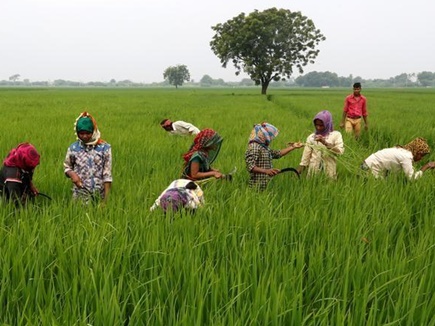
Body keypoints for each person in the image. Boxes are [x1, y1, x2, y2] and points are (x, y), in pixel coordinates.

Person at [63, 112, 112, 203]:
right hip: (79, 195)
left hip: (99, 195)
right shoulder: (73, 148)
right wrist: (73, 175)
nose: (84, 136)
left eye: (88, 133)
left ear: (93, 131)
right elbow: (67, 167)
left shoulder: (104, 148)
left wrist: (105, 201)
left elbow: (107, 174)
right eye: (81, 133)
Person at [245, 122, 303, 191]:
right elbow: (250, 166)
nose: (270, 139)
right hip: (256, 186)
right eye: (270, 137)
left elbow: (278, 154)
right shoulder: (254, 147)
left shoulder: (263, 147)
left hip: (265, 185)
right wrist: (266, 171)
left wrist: (293, 147)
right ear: (263, 135)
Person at [297, 110, 345, 179]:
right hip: (313, 174)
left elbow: (340, 152)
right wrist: (297, 172)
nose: (318, 127)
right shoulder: (311, 137)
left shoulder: (336, 135)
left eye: (321, 125)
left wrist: (325, 143)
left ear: (327, 124)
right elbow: (305, 159)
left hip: (329, 174)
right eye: (316, 125)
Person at [361, 137, 435, 180]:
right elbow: (412, 178)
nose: (421, 158)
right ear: (415, 151)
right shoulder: (406, 157)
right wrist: (427, 166)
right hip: (369, 170)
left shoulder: (401, 150)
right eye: (421, 155)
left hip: (366, 165)